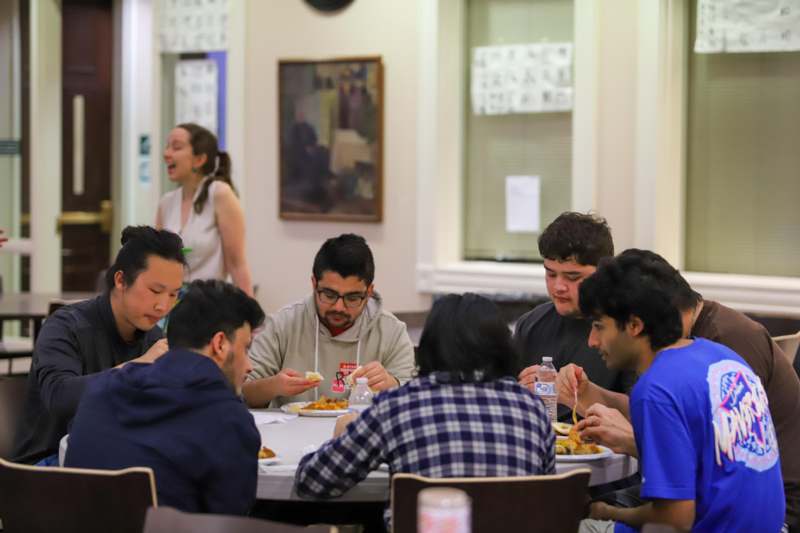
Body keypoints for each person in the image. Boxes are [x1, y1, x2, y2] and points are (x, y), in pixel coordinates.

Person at [560, 249, 800, 531]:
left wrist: (606, 511)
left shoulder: (655, 389)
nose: (592, 341)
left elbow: (673, 521)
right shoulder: (723, 356)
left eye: (599, 326)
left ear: (635, 325)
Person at [295, 293, 555, 528]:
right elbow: (547, 494)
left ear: (429, 347)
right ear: (502, 347)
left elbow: (312, 482)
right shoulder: (532, 408)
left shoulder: (397, 407)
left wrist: (344, 431)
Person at [65, 279, 265, 515]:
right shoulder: (229, 420)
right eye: (246, 348)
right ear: (219, 344)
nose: (249, 365)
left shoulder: (100, 391)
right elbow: (228, 523)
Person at [12, 226, 185, 464]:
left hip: (119, 458)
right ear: (121, 280)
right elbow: (60, 398)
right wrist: (136, 368)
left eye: (173, 295)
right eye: (155, 291)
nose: (163, 306)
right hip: (47, 466)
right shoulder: (65, 326)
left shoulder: (154, 339)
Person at [243, 234, 415, 408]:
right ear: (313, 284)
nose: (339, 307)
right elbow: (243, 393)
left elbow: (414, 401)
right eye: (329, 295)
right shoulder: (283, 324)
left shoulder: (392, 331)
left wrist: (393, 384)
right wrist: (273, 386)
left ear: (369, 292)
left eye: (353, 298)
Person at [514, 212, 636, 420]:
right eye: (551, 274)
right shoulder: (530, 324)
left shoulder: (630, 328)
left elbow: (647, 412)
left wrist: (578, 395)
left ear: (604, 272)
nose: (558, 287)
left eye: (573, 277)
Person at [157, 122, 253, 296]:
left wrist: (252, 318)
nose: (166, 154)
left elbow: (237, 265)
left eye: (176, 147)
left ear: (199, 159)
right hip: (169, 306)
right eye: (167, 147)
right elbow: (154, 262)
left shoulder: (219, 194)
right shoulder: (166, 202)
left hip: (209, 306)